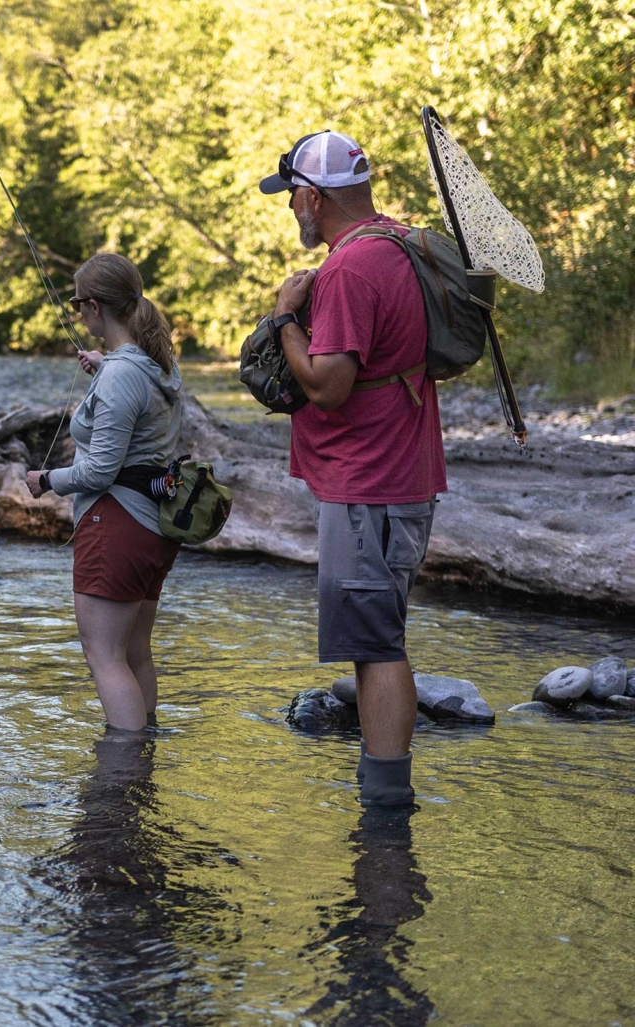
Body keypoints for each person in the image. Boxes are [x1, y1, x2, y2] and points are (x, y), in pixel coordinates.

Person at [259, 130, 447, 807]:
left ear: (312, 198)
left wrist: (285, 317)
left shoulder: (347, 270)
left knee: (376, 642)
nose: (290, 211)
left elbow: (327, 384)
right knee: (380, 635)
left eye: (291, 199)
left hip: (369, 482)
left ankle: (386, 803)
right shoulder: (398, 242)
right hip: (400, 472)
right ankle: (383, 786)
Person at [25, 252, 182, 733]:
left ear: (94, 307)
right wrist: (106, 364)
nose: (78, 315)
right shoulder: (158, 365)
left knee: (104, 656)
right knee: (134, 652)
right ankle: (144, 762)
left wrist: (47, 481)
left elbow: (98, 471)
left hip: (116, 527)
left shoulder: (121, 375)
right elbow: (131, 396)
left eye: (78, 307)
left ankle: (121, 778)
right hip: (155, 526)